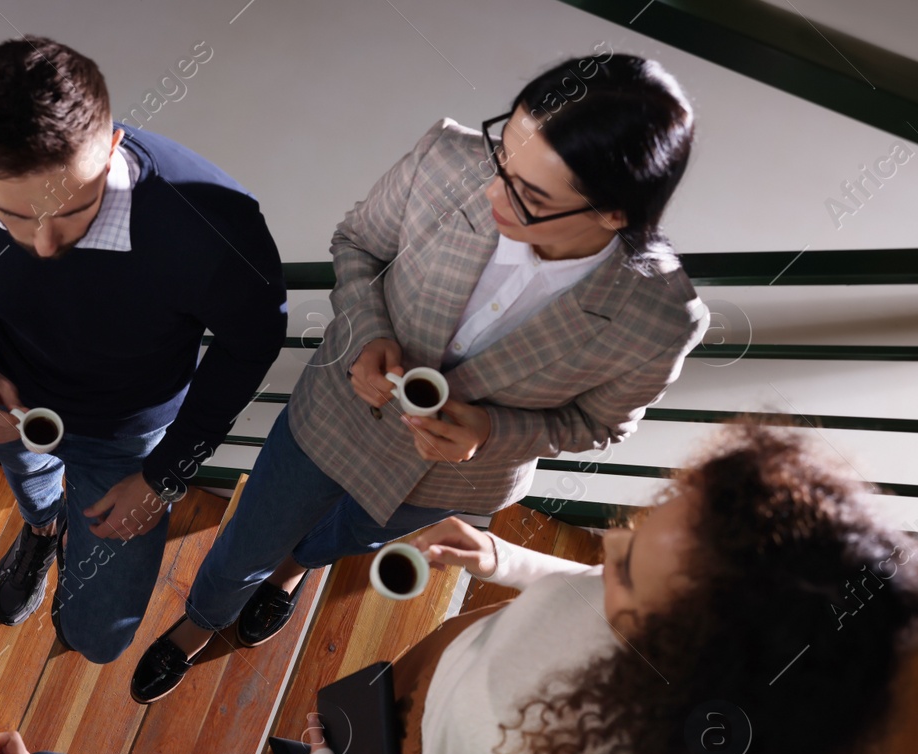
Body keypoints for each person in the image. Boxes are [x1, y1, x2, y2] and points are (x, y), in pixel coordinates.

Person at [188, 424, 918, 754]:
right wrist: (500, 558)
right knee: (340, 735)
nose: (609, 549)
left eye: (626, 578)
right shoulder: (684, 608)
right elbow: (581, 586)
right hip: (439, 679)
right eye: (638, 530)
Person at [133, 53, 708, 701]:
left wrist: (493, 429)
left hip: (451, 476)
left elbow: (602, 425)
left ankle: (292, 574)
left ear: (614, 216)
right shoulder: (445, 155)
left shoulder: (663, 318)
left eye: (531, 195)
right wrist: (368, 331)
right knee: (250, 535)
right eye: (504, 158)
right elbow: (358, 243)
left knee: (343, 536)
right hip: (336, 412)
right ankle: (202, 620)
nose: (493, 192)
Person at [0, 37, 286, 664]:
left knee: (99, 636)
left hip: (129, 437)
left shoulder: (213, 223)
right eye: (15, 217)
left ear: (111, 147)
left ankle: (66, 572)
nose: (45, 244)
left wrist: (165, 477)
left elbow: (253, 342)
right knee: (33, 489)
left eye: (75, 209)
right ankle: (43, 530)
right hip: (10, 399)